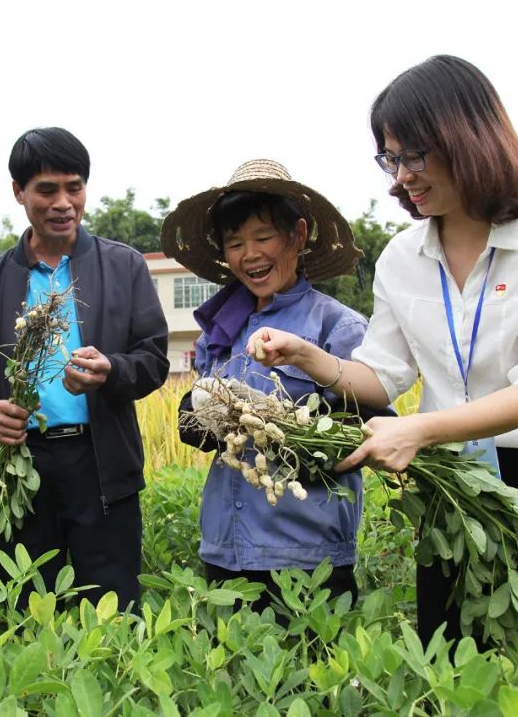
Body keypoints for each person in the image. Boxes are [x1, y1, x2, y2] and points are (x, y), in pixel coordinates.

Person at [249, 55, 518, 672]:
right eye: (390, 160)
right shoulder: (403, 257)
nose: (400, 178)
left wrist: (418, 429)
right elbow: (381, 375)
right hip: (455, 483)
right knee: (455, 661)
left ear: (468, 138)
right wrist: (309, 357)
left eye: (414, 157)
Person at [0, 127, 169, 610]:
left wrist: (111, 369)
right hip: (21, 467)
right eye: (46, 190)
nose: (63, 202)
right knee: (30, 609)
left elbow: (154, 359)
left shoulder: (125, 266)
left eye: (74, 187)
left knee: (112, 608)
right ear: (19, 193)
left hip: (102, 464)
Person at [163, 158, 388, 617]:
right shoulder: (219, 331)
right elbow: (209, 433)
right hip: (226, 550)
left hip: (306, 554)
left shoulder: (337, 327)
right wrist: (201, 415)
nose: (250, 254)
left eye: (263, 237)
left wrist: (286, 430)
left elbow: (371, 430)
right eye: (235, 243)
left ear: (298, 236)